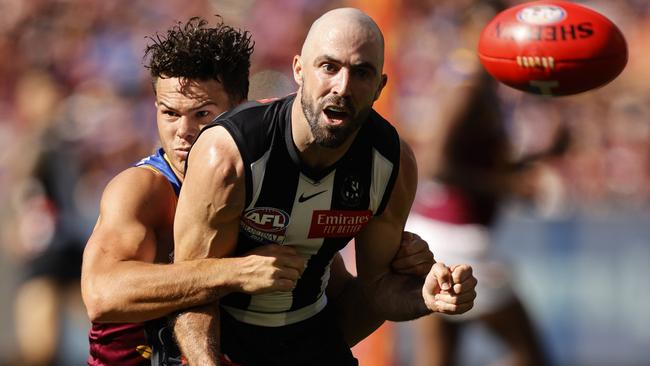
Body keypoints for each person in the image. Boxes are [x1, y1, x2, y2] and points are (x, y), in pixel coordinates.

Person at [80, 16, 435, 366]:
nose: (184, 132)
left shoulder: (258, 184)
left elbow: (338, 311)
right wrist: (235, 272)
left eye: (203, 114)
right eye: (169, 113)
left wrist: (403, 279)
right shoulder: (143, 189)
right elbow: (101, 295)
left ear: (238, 114)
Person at [171, 8, 478, 366]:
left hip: (310, 338)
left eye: (361, 72)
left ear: (380, 86)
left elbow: (377, 290)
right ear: (299, 70)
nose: (342, 88)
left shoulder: (390, 161)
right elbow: (190, 291)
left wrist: (424, 295)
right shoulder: (230, 154)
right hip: (222, 340)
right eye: (329, 67)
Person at [404, 71, 550, 366]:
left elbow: (476, 160)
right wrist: (506, 185)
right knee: (530, 354)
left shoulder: (489, 94)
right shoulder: (467, 92)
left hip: (442, 236)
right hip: (455, 239)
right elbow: (437, 165)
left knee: (440, 358)